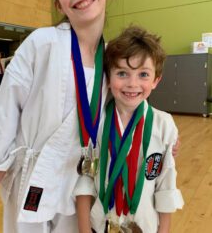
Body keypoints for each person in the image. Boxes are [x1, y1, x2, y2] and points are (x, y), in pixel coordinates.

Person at [0, 0, 113, 233]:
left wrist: (157, 134)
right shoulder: (44, 43)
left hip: (82, 179)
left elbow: (128, 109)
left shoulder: (114, 57)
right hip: (36, 174)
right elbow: (7, 102)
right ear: (58, 4)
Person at [75, 26, 184, 233]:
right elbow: (85, 177)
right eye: (122, 73)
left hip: (144, 226)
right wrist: (83, 228)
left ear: (156, 80)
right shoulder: (95, 122)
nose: (132, 84)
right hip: (98, 225)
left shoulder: (163, 124)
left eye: (143, 74)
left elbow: (166, 184)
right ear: (108, 77)